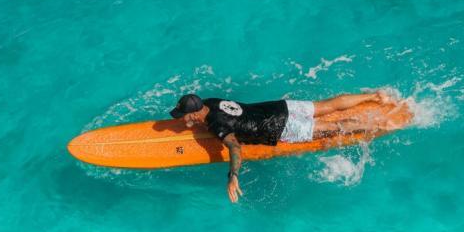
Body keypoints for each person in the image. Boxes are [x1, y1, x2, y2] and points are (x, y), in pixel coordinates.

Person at [169, 90, 395, 203]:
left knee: (334, 127)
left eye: (185, 116)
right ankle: (376, 96)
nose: (182, 119)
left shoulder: (218, 124)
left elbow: (235, 147)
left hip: (280, 127)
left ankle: (379, 124)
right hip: (279, 108)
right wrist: (193, 121)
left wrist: (233, 175)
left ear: (196, 112)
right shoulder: (210, 101)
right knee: (328, 105)